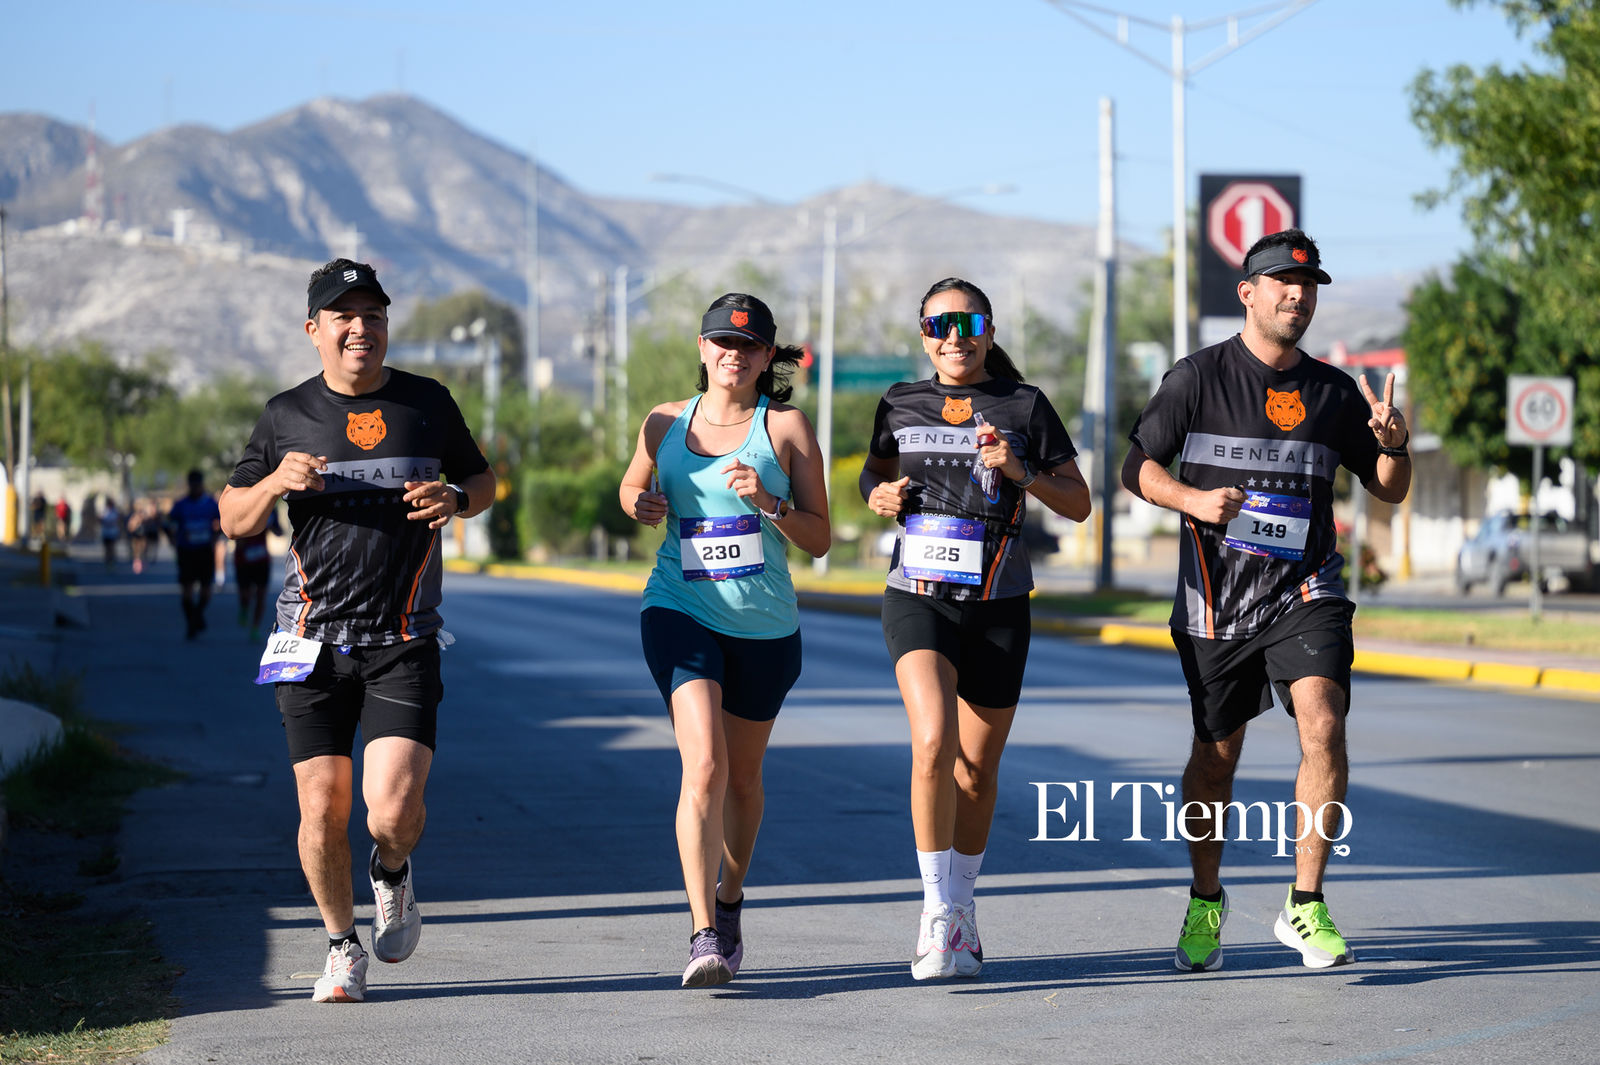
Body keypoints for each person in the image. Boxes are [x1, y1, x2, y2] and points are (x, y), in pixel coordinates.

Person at [1120, 229, 1410, 973]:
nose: (1297, 295)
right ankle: (1206, 897)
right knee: (1216, 760)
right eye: (1283, 282)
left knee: (1324, 721)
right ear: (1247, 293)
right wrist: (1192, 499)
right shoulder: (1196, 378)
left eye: (1308, 285)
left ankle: (1306, 903)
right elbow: (1136, 468)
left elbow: (1387, 486)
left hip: (1306, 589)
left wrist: (1394, 446)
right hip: (1217, 602)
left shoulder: (1335, 391)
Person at [219, 258, 495, 1004]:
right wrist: (276, 481)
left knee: (393, 811)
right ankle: (342, 946)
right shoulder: (284, 415)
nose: (359, 328)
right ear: (314, 330)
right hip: (307, 638)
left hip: (404, 635)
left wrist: (456, 497)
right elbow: (233, 514)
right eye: (342, 316)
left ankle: (393, 869)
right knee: (321, 808)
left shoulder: (427, 402)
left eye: (371, 314)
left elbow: (483, 480)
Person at [859, 277, 1091, 981]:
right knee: (933, 741)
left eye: (970, 321)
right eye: (940, 323)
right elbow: (875, 477)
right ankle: (934, 912)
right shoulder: (900, 401)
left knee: (976, 768)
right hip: (918, 594)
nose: (955, 336)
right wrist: (879, 494)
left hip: (998, 601)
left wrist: (1021, 472)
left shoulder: (1024, 405)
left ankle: (962, 907)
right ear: (923, 331)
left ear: (988, 330)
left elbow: (1078, 502)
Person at [618, 293, 830, 988]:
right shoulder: (663, 421)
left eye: (747, 346)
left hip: (765, 625)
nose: (731, 356)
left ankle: (731, 898)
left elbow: (820, 536)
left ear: (769, 356)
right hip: (678, 606)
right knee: (703, 765)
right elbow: (633, 487)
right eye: (720, 343)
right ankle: (702, 929)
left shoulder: (788, 428)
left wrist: (768, 503)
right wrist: (643, 503)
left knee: (743, 779)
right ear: (702, 349)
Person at [167, 471, 222, 638]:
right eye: (192, 485)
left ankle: (197, 615)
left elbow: (223, 521)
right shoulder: (181, 505)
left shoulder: (210, 504)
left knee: (206, 590)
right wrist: (172, 539)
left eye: (197, 485)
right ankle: (191, 622)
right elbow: (167, 522)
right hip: (187, 552)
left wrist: (215, 536)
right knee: (187, 591)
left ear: (201, 485)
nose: (195, 488)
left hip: (204, 551)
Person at [234, 503, 283, 642]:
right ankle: (244, 607)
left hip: (261, 559)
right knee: (246, 594)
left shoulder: (271, 507)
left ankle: (255, 627)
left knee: (261, 595)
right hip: (243, 559)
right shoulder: (243, 503)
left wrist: (273, 527)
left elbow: (278, 530)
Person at [99, 495, 123, 570]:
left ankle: (112, 561)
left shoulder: (115, 511)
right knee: (107, 548)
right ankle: (107, 561)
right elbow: (100, 520)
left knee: (112, 547)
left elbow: (117, 520)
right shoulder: (104, 510)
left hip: (112, 532)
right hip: (106, 532)